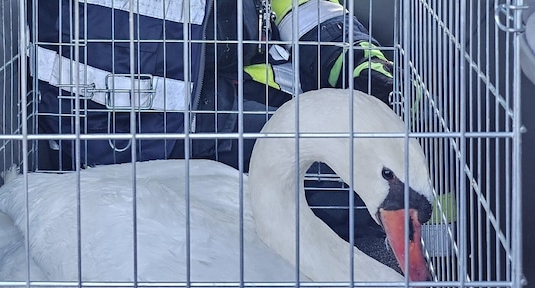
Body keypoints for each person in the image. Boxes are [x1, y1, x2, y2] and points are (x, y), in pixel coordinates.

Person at [30, 0, 401, 264]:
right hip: (136, 121)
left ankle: (422, 258)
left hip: (209, 88)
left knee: (385, 147)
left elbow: (298, 6)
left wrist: (351, 55)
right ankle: (406, 266)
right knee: (357, 180)